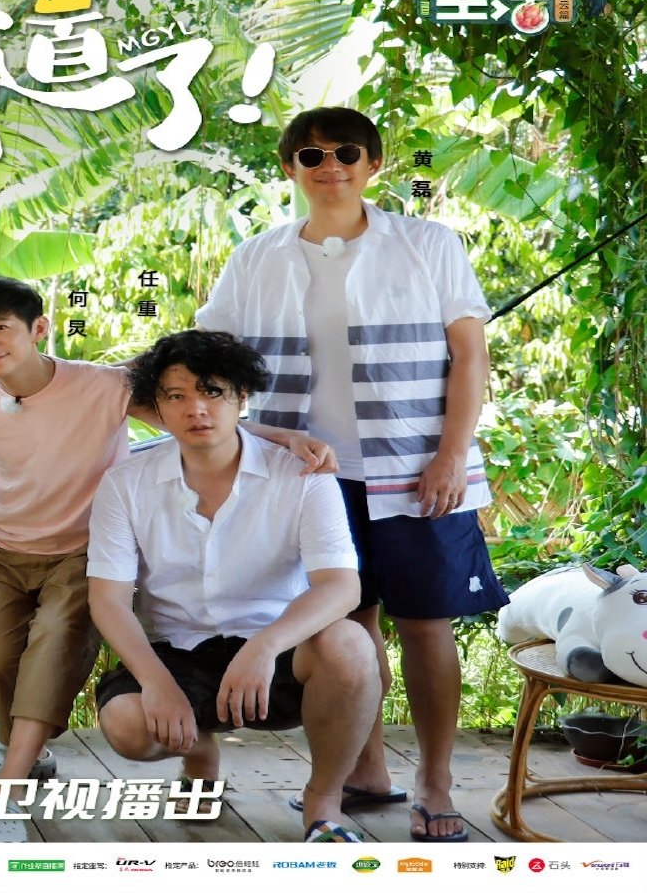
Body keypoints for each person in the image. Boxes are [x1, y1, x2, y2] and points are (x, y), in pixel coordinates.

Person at [193, 106, 506, 842]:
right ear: (290, 168)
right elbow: (207, 356)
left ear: (373, 164)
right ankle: (366, 772)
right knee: (346, 627)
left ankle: (435, 782)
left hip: (418, 468)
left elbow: (471, 354)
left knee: (426, 627)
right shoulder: (256, 257)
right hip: (308, 478)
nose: (329, 165)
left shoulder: (428, 243)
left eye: (346, 152)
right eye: (311, 155)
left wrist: (451, 453)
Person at [0, 275, 333, 842]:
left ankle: (9, 795)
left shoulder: (104, 386)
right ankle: (22, 750)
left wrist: (284, 440)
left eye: (0, 328)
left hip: (83, 549)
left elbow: (198, 419)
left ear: (39, 329)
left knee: (52, 649)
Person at [87, 329, 380, 843]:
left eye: (212, 392)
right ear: (158, 406)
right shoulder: (126, 482)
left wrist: (264, 646)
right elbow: (108, 599)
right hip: (178, 651)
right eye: (176, 396)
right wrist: (157, 682)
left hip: (280, 649)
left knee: (351, 646)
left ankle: (323, 803)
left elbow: (341, 587)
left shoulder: (303, 475)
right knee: (129, 727)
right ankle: (199, 756)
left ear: (242, 397)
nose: (195, 408)